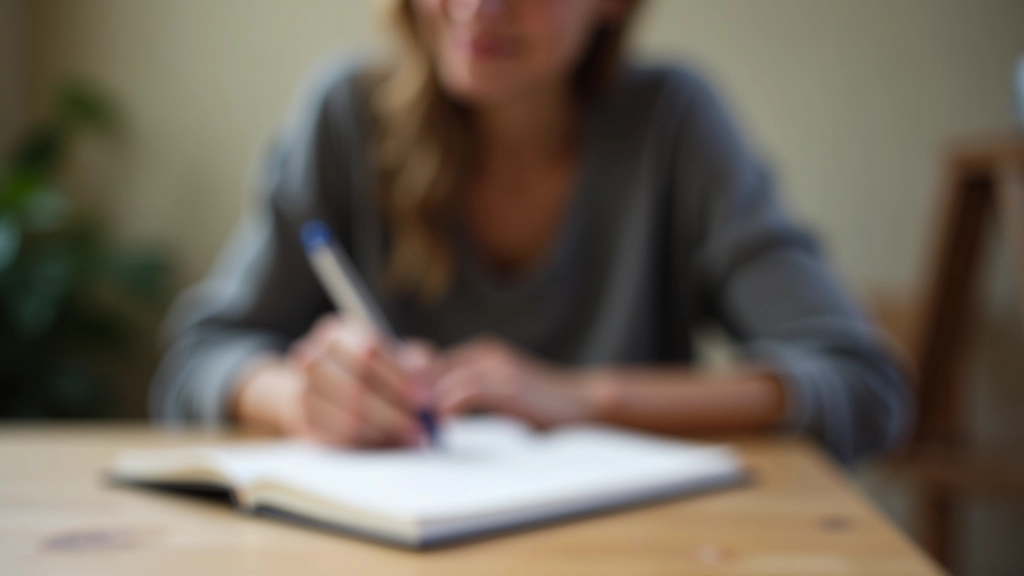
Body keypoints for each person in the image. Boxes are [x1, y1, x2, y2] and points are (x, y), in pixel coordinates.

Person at [151, 0, 911, 464]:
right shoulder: (345, 118)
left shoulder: (673, 128)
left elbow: (861, 384)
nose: (480, 6)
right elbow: (196, 363)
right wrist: (304, 398)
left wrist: (588, 397)